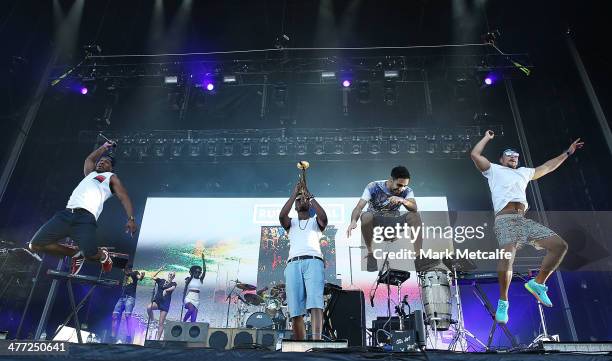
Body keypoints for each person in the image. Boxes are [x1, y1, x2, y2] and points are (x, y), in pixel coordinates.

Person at [470, 130, 583, 324]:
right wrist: (487, 138)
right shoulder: (494, 169)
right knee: (508, 256)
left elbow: (548, 166)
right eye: (509, 155)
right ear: (501, 159)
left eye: (516, 155)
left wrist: (568, 152)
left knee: (560, 246)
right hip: (505, 219)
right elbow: (475, 155)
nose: (513, 157)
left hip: (523, 220)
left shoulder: (524, 172)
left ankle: (538, 284)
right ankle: (503, 301)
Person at [28, 141, 138, 274]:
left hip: (85, 219)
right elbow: (90, 159)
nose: (101, 162)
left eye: (106, 162)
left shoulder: (110, 177)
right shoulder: (90, 174)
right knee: (35, 244)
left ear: (111, 168)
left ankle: (103, 255)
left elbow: (124, 196)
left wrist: (131, 218)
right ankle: (75, 254)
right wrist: (103, 147)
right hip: (66, 215)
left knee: (91, 255)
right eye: (101, 161)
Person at [346, 166, 423, 271]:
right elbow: (359, 207)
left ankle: (419, 258)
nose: (401, 189)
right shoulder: (373, 186)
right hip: (376, 224)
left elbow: (414, 208)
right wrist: (353, 221)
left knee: (414, 215)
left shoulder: (407, 191)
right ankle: (370, 254)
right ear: (391, 180)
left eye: (404, 186)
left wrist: (403, 200)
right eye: (399, 185)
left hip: (393, 224)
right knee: (366, 215)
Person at [279, 177, 328, 340]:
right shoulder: (290, 223)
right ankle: (300, 344)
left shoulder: (315, 222)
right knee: (295, 307)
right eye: (299, 200)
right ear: (295, 205)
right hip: (293, 264)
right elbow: (281, 216)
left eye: (305, 199)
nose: (302, 201)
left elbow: (324, 218)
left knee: (315, 302)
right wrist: (294, 194)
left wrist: (311, 196)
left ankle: (316, 342)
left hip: (313, 261)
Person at [110, 265, 144, 344]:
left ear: (129, 269)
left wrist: (142, 276)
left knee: (127, 316)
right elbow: (119, 283)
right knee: (114, 316)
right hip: (121, 298)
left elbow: (139, 278)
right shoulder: (123, 276)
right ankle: (112, 336)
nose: (124, 270)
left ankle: (128, 336)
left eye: (125, 269)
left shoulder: (135, 273)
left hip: (130, 298)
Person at [147, 268, 177, 340]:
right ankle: (153, 320)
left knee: (161, 322)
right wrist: (160, 269)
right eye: (170, 274)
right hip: (157, 301)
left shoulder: (173, 283)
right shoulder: (161, 280)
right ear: (168, 274)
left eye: (172, 275)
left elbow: (173, 288)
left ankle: (157, 339)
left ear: (174, 277)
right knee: (149, 307)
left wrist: (166, 290)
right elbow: (152, 276)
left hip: (165, 304)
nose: (171, 275)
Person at [182, 253, 206, 322]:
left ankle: (188, 328)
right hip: (189, 298)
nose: (198, 273)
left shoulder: (200, 280)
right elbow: (185, 289)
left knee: (193, 320)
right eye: (196, 272)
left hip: (196, 299)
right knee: (191, 309)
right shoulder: (189, 279)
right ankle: (183, 321)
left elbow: (204, 271)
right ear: (193, 272)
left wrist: (203, 259)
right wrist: (183, 299)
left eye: (199, 272)